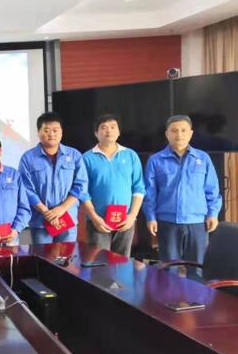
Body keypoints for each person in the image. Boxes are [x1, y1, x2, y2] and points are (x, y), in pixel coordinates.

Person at [143, 115, 222, 276]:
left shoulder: (203, 158)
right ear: (167, 134)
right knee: (169, 269)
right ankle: (169, 293)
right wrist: (150, 217)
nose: (179, 134)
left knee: (198, 269)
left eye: (183, 130)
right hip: (167, 222)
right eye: (174, 131)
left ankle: (197, 294)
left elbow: (212, 189)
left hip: (198, 222)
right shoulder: (156, 160)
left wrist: (213, 214)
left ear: (191, 133)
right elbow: (149, 192)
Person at [81, 115, 145, 257]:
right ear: (96, 133)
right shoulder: (86, 158)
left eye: (112, 127)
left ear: (119, 132)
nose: (108, 130)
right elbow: (83, 192)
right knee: (98, 261)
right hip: (98, 221)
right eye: (103, 128)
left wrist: (132, 216)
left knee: (122, 261)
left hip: (125, 220)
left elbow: (139, 188)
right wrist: (94, 218)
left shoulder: (130, 155)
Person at [19, 112, 88, 244]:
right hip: (40, 220)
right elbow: (26, 189)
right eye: (46, 130)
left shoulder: (74, 155)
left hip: (67, 217)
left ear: (61, 132)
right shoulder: (28, 158)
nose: (51, 134)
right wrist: (46, 212)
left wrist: (62, 208)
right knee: (42, 256)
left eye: (55, 130)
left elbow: (81, 185)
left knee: (67, 255)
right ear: (38, 133)